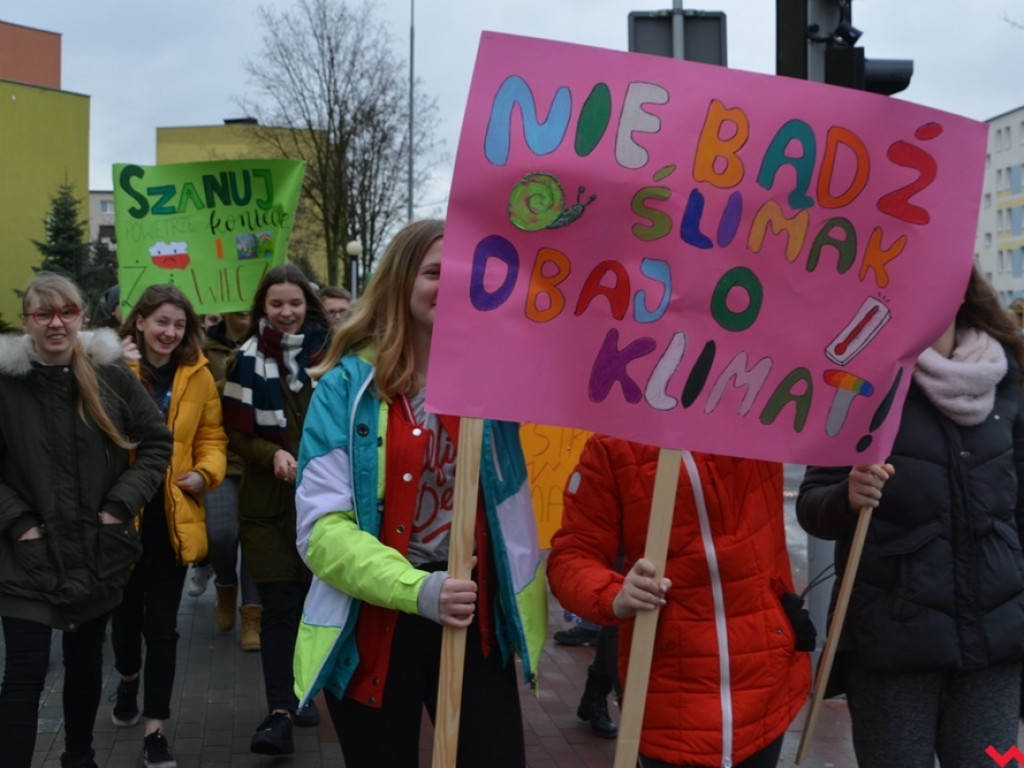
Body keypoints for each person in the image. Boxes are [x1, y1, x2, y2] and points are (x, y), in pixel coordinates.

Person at [293, 219, 547, 767]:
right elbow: (321, 530)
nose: (452, 285)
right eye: (436, 271)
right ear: (402, 281)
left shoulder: (500, 380)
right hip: (377, 620)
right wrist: (418, 590)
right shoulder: (345, 389)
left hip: (473, 615)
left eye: (465, 273)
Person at [796, 266, 1024, 767]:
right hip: (893, 645)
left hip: (995, 644)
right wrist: (848, 495)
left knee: (995, 763)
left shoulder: (1007, 376)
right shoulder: (861, 377)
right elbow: (812, 504)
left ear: (963, 286)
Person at [547, 439, 812, 767]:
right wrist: (613, 595)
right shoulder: (612, 446)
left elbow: (824, 417)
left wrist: (848, 489)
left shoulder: (752, 411)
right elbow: (572, 555)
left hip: (766, 680)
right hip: (668, 691)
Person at [0, 273, 172, 768]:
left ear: (82, 316)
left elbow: (157, 441)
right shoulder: (8, 384)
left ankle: (79, 756)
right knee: (24, 672)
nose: (57, 323)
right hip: (25, 555)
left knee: (83, 665)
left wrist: (120, 507)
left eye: (67, 312)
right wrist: (19, 524)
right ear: (26, 320)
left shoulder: (111, 375)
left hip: (99, 551)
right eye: (43, 314)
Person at [110, 284, 227, 768]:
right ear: (138, 321)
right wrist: (107, 365)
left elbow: (211, 435)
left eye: (179, 324)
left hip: (174, 518)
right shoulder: (111, 366)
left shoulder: (197, 372)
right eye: (161, 321)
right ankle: (128, 677)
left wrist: (207, 472)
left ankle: (156, 729)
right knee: (124, 622)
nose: (170, 332)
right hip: (119, 519)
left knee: (162, 627)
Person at [221, 264, 331, 755]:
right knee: (280, 607)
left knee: (314, 605)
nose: (286, 313)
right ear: (261, 308)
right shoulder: (243, 361)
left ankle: (307, 689)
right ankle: (280, 712)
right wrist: (272, 454)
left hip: (326, 503)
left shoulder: (332, 358)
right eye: (276, 304)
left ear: (308, 305)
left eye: (295, 303)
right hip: (265, 508)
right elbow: (237, 434)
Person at [197, 310, 262, 650]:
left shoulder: (269, 342)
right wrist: (233, 376)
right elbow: (199, 398)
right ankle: (225, 584)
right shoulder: (203, 348)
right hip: (220, 457)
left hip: (261, 457)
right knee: (220, 533)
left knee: (255, 539)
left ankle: (252, 614)